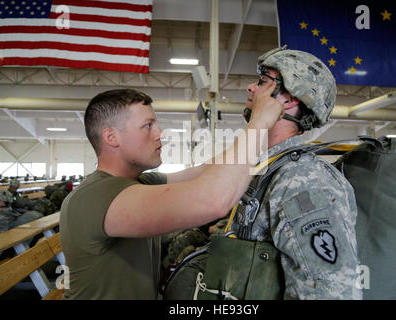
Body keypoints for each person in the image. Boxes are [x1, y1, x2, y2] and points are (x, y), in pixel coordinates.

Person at [164, 47, 362, 300]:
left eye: (262, 82)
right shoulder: (265, 169)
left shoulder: (302, 180)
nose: (250, 87)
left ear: (289, 98)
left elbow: (330, 291)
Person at [59, 87, 284, 299]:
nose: (160, 133)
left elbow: (207, 170)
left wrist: (265, 141)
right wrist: (259, 122)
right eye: (148, 126)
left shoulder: (141, 183)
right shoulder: (98, 196)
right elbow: (212, 201)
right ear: (112, 137)